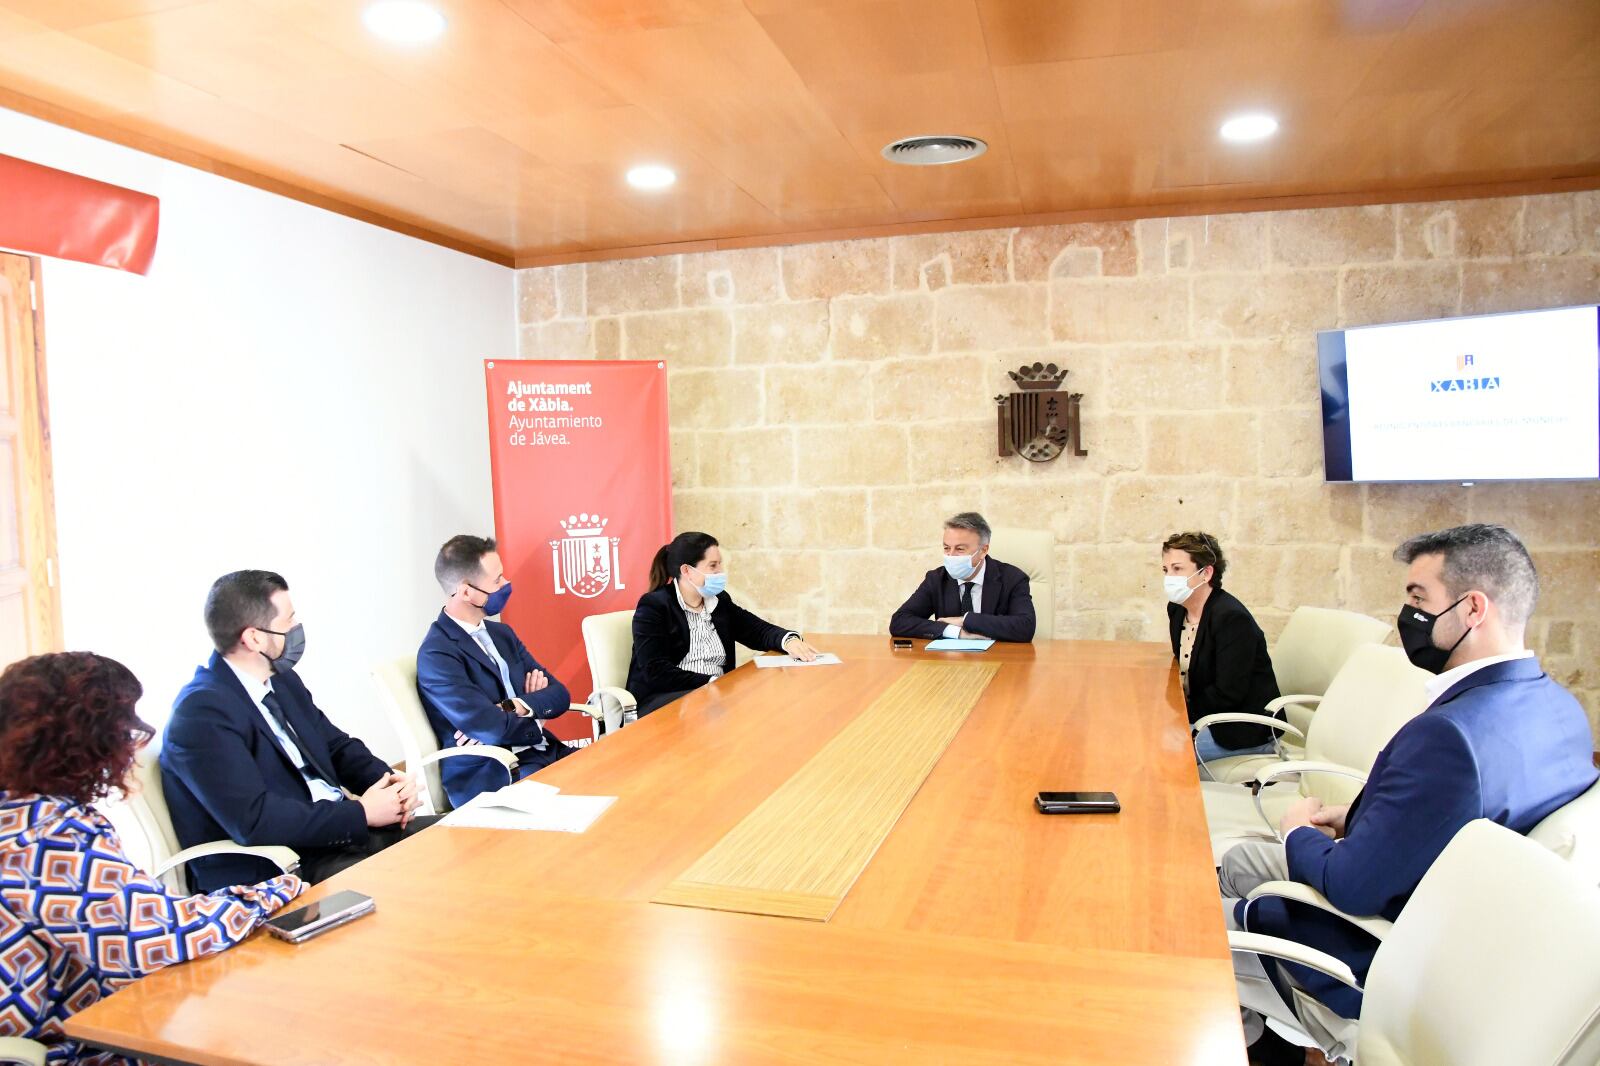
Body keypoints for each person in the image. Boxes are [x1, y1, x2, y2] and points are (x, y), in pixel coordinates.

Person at [1220, 524, 1599, 1063]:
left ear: (1472, 609)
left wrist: (1299, 830)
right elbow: (1460, 810)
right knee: (1239, 861)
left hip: (1384, 951)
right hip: (1465, 932)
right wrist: (1355, 817)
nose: (1408, 619)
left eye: (1419, 599)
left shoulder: (1448, 735)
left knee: (1200, 923)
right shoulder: (1561, 708)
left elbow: (1351, 887)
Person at [0, 652, 304, 1066]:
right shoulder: (47, 837)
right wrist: (275, 892)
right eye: (127, 722)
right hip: (71, 1046)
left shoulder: (19, 810)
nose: (137, 734)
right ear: (87, 737)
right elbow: (158, 935)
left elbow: (133, 915)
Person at [162, 570, 429, 892]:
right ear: (254, 638)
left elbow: (335, 746)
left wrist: (387, 783)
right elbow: (255, 819)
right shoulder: (201, 714)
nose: (296, 628)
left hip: (338, 836)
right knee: (416, 886)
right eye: (288, 621)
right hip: (285, 864)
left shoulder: (281, 680)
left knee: (461, 839)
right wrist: (361, 813)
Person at [417, 534, 575, 808]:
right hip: (492, 773)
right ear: (466, 592)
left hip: (544, 752)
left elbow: (560, 694)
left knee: (612, 772)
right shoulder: (437, 654)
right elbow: (491, 727)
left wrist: (516, 705)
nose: (506, 584)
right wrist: (537, 716)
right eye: (497, 580)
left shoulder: (502, 634)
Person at [626, 531, 820, 717]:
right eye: (713, 566)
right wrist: (714, 683)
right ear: (687, 571)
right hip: (665, 700)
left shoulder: (718, 602)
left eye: (720, 564)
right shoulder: (654, 606)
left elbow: (757, 631)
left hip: (715, 698)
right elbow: (656, 671)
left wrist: (788, 640)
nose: (720, 572)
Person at [1160, 531, 1281, 763]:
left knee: (1162, 753)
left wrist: (1180, 716)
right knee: (1145, 733)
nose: (1169, 577)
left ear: (1205, 573)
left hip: (1237, 728)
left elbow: (1228, 693)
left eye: (1177, 569)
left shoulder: (1231, 618)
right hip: (1202, 715)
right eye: (1165, 570)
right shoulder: (1177, 610)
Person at [889, 512, 1036, 642]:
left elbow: (1025, 627)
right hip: (949, 664)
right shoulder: (937, 579)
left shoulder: (1013, 578)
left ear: (983, 550)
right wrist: (955, 632)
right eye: (946, 548)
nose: (951, 556)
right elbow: (899, 621)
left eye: (959, 549)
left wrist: (965, 620)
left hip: (999, 661)